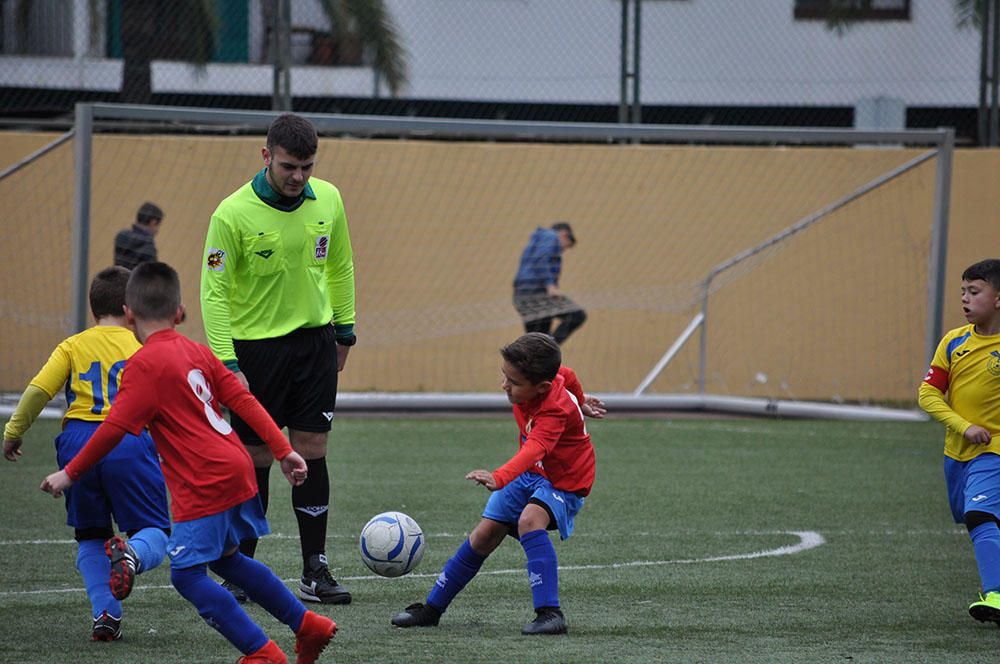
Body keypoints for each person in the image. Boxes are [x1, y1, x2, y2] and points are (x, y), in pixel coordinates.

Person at [40, 262, 337, 664]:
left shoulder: (144, 366)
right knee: (228, 560)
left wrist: (69, 472)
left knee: (187, 577)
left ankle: (263, 654)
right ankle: (308, 626)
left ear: (129, 314)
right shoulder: (198, 351)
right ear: (179, 312)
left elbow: (112, 429)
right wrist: (282, 450)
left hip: (205, 481)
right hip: (236, 464)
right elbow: (244, 400)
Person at [200, 113, 356, 606]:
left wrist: (345, 330)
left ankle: (315, 568)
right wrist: (227, 362)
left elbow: (340, 264)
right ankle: (242, 567)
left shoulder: (328, 199)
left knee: (313, 449)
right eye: (289, 166)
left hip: (314, 344)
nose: (298, 177)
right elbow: (214, 292)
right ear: (266, 156)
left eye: (307, 167)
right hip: (255, 352)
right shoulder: (231, 214)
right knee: (256, 457)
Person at [391, 332, 606, 635]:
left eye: (514, 382)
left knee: (530, 521)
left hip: (565, 481)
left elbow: (535, 448)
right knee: (484, 534)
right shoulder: (550, 379)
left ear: (541, 387)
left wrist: (500, 477)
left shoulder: (555, 411)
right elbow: (567, 375)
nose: (505, 385)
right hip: (533, 473)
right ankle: (432, 609)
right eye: (504, 376)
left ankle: (550, 613)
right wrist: (582, 402)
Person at [3, 265, 170, 642]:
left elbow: (37, 391)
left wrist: (13, 432)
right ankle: (132, 556)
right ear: (132, 307)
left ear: (93, 309)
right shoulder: (144, 345)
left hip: (78, 443)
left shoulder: (73, 345)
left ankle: (106, 614)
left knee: (91, 535)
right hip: (127, 439)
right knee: (155, 531)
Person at [919, 258, 1000, 624]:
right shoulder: (954, 341)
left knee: (979, 514)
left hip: (994, 450)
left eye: (974, 291)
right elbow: (928, 393)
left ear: (998, 298)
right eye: (962, 292)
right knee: (979, 520)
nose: (965, 299)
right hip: (958, 452)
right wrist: (963, 426)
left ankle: (995, 595)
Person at [512, 222, 587, 345]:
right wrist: (550, 285)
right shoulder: (550, 236)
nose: (562, 251)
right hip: (537, 292)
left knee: (536, 340)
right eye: (565, 247)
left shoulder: (536, 242)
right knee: (577, 315)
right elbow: (541, 260)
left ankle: (540, 356)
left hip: (521, 296)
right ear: (564, 234)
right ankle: (549, 350)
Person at [114, 202, 164, 270]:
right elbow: (151, 277)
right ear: (153, 222)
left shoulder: (121, 236)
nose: (157, 231)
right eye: (158, 225)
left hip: (118, 279)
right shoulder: (148, 246)